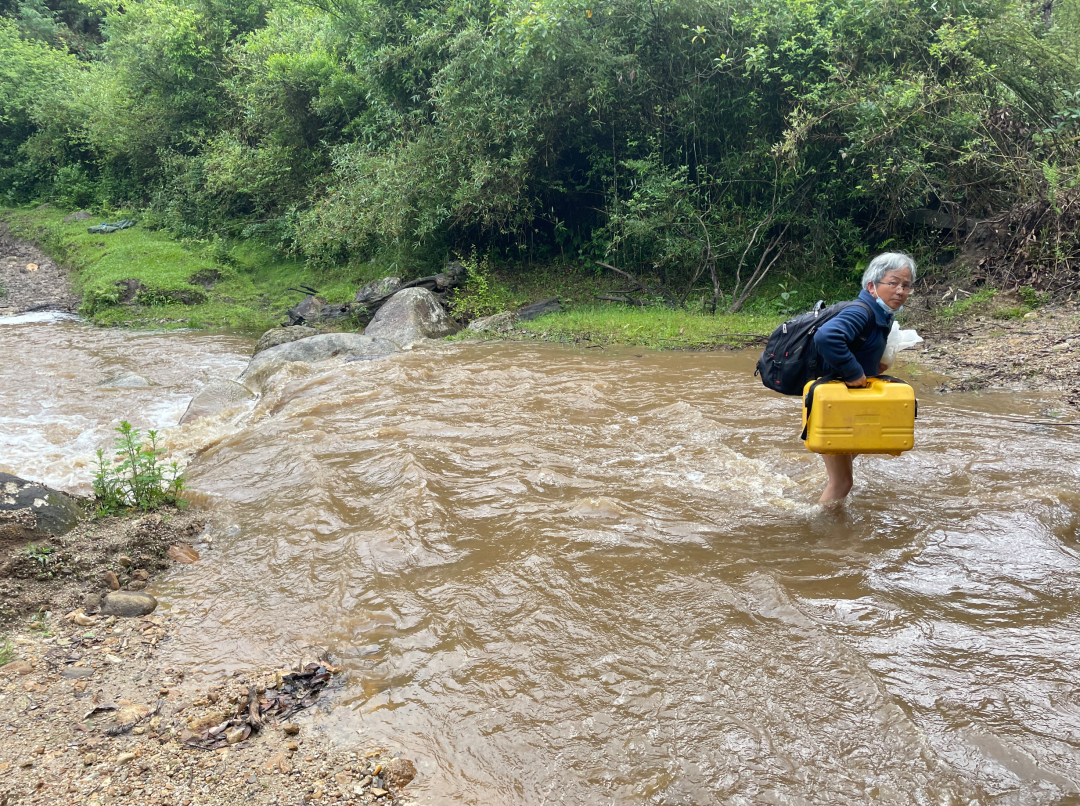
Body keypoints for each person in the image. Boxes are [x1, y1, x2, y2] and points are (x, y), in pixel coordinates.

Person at [812, 252, 916, 503]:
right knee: (843, 483)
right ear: (872, 286)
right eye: (893, 283)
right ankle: (820, 533)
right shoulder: (862, 311)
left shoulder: (880, 315)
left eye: (906, 285)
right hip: (836, 407)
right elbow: (827, 338)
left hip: (849, 405)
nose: (900, 291)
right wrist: (855, 372)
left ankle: (820, 494)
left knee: (852, 455)